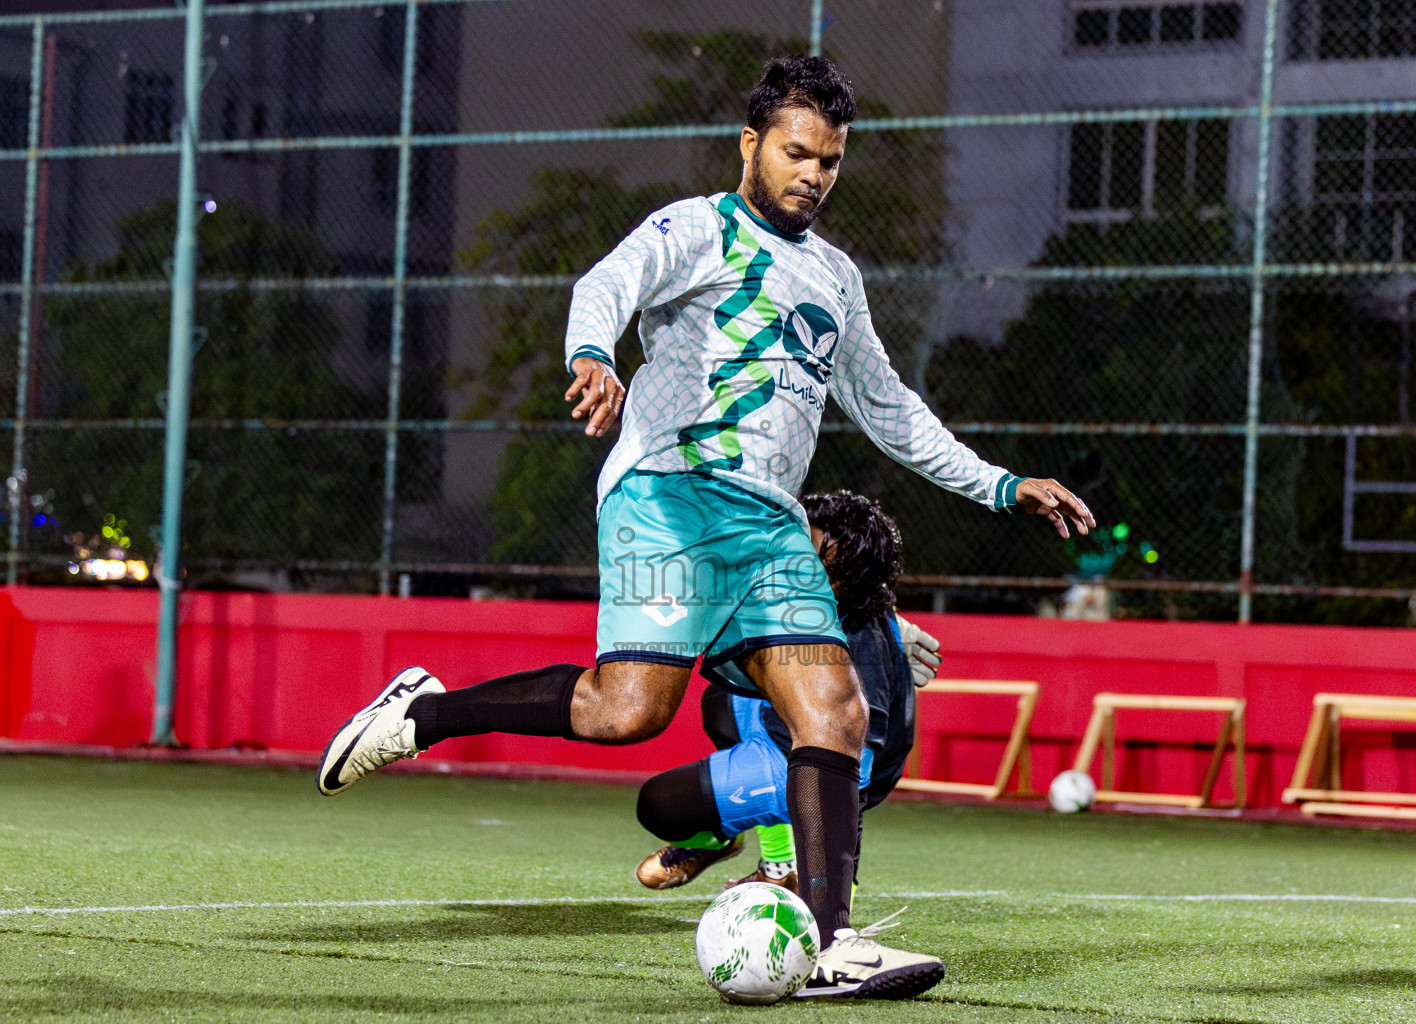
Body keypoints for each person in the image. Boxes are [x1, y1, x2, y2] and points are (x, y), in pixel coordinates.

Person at [314, 54, 1093, 1001]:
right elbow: (608, 281)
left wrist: (1005, 486)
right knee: (625, 711)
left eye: (830, 161)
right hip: (669, 495)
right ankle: (419, 712)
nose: (812, 174)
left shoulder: (837, 281)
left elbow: (891, 411)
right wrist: (594, 352)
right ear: (751, 145)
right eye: (797, 153)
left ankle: (831, 942)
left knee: (835, 714)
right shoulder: (697, 228)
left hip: (768, 525)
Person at [633, 491, 937, 899]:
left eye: (821, 565)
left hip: (812, 756)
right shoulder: (789, 574)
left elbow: (854, 774)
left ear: (848, 578)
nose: (800, 568)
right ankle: (769, 860)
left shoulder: (863, 648)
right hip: (781, 721)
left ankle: (767, 863)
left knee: (659, 805)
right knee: (719, 700)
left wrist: (828, 891)